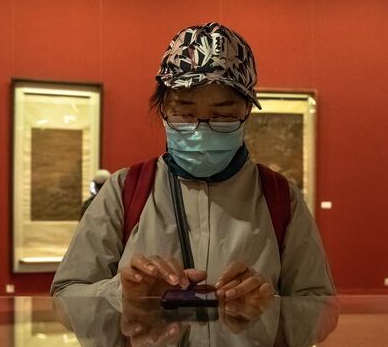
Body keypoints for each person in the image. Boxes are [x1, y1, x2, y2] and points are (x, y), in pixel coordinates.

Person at [51, 22, 335, 300]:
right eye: (184, 114)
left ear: (247, 110)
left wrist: (269, 310)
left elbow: (320, 306)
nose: (201, 130)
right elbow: (66, 295)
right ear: (163, 109)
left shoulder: (280, 197)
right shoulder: (124, 190)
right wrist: (124, 294)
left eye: (222, 115)